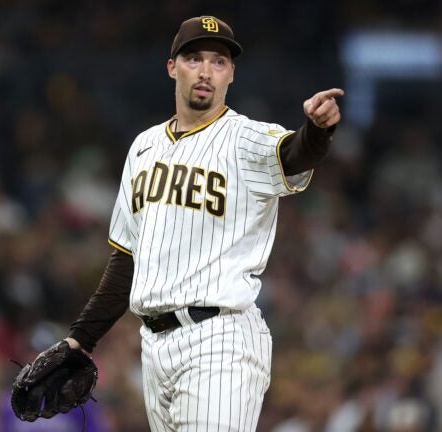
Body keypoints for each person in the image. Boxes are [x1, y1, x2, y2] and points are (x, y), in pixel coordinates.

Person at [46, 15, 342, 430]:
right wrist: (82, 339)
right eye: (194, 58)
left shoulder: (245, 137)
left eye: (218, 61)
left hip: (221, 339)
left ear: (231, 74)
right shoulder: (144, 147)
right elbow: (127, 262)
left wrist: (317, 130)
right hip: (153, 346)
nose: (206, 71)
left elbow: (296, 154)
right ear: (172, 67)